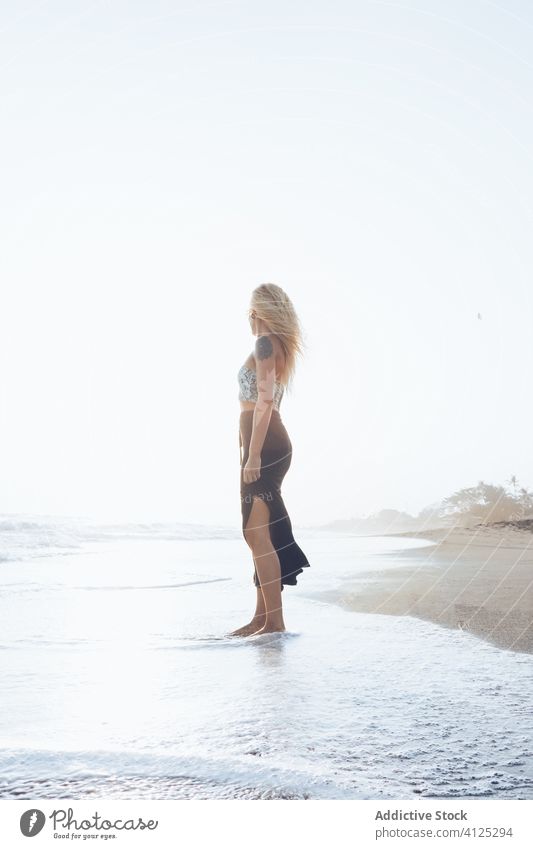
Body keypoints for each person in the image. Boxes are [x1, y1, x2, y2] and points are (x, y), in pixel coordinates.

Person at [228, 283, 311, 637]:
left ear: (257, 312)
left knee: (255, 533)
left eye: (249, 313)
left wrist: (255, 454)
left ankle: (274, 622)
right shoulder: (274, 345)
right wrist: (246, 448)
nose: (248, 320)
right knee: (258, 533)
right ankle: (262, 617)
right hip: (262, 443)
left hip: (267, 446)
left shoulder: (264, 344)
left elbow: (263, 403)